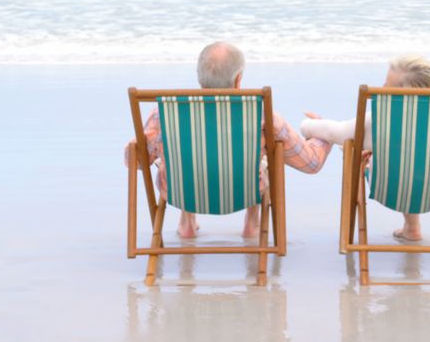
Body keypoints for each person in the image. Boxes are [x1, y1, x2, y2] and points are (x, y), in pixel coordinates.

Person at [125, 41, 333, 239]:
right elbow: (311, 163)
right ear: (238, 79)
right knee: (262, 161)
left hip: (178, 191)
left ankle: (187, 221)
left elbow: (138, 162)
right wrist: (322, 132)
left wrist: (132, 147)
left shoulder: (162, 116)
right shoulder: (261, 115)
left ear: (199, 77)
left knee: (178, 158)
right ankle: (252, 222)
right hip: (245, 192)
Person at [301, 54, 430, 241]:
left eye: (386, 84)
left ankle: (411, 226)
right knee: (419, 157)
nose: (381, 88)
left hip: (394, 188)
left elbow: (335, 133)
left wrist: (309, 124)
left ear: (403, 92)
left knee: (390, 161)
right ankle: (412, 228)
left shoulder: (378, 121)